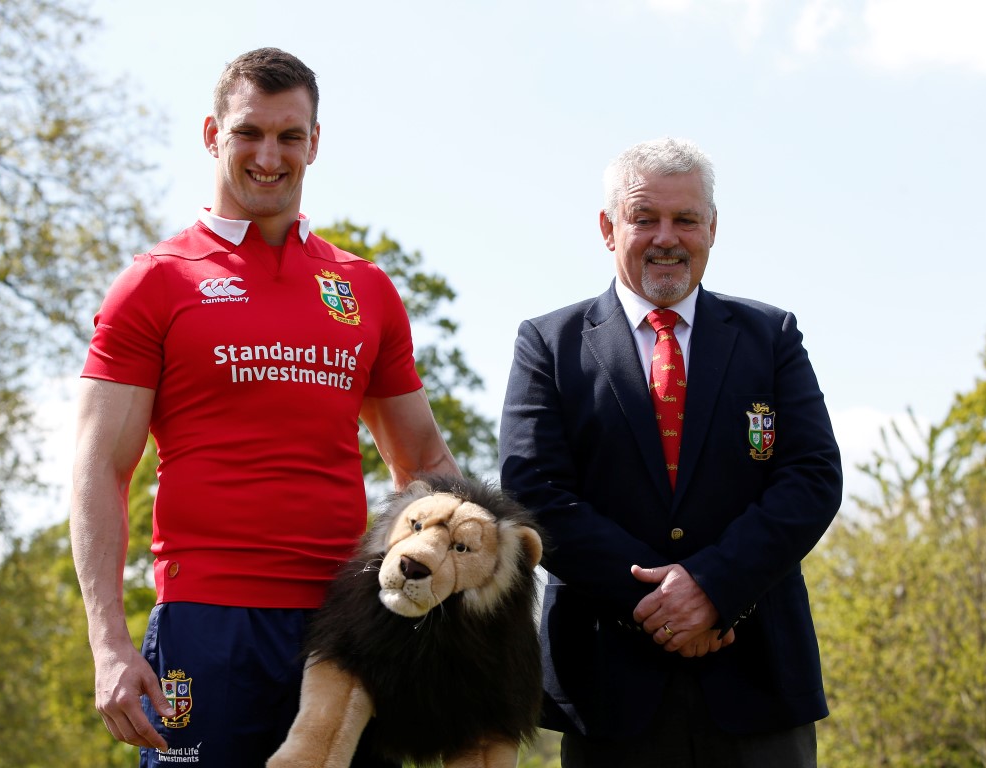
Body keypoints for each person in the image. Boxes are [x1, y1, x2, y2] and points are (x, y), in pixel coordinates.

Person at [70, 47, 458, 768]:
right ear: (213, 134)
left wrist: (449, 594)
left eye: (289, 135)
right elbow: (99, 468)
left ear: (315, 142)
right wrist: (107, 643)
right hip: (208, 625)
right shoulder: (155, 282)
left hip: (348, 627)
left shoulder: (364, 288)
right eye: (249, 132)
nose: (269, 155)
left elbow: (426, 461)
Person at [499, 138, 842, 767]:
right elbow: (534, 494)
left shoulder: (772, 336)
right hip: (608, 689)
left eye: (685, 220)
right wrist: (660, 603)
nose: (667, 237)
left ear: (712, 228)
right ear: (608, 228)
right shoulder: (548, 344)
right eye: (644, 218)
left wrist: (714, 587)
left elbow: (812, 477)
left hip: (758, 680)